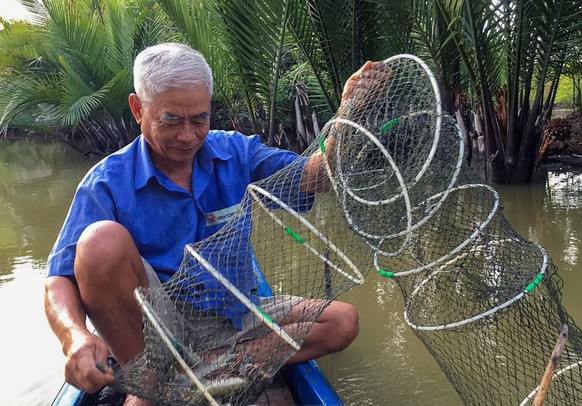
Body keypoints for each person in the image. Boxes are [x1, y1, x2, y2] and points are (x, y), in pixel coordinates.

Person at [44, 42, 382, 405]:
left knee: (341, 322)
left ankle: (203, 373)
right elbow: (58, 279)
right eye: (171, 120)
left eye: (199, 119)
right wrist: (74, 337)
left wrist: (349, 114)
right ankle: (155, 383)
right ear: (138, 108)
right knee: (99, 243)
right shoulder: (106, 182)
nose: (187, 135)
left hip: (237, 310)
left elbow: (313, 176)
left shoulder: (236, 152)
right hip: (158, 330)